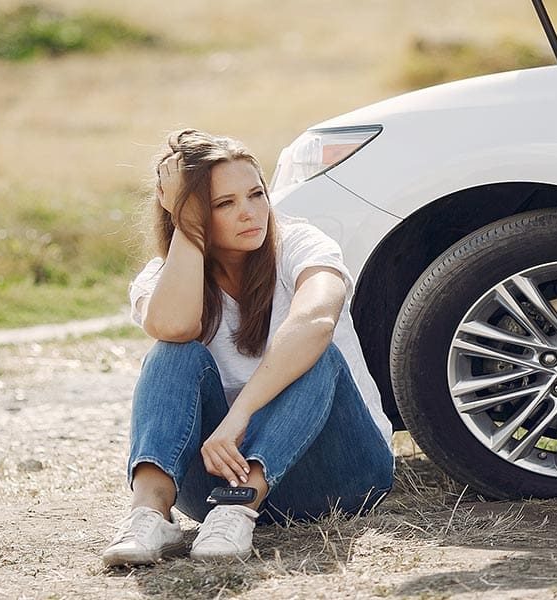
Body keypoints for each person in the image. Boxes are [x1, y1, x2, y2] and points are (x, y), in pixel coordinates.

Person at [101, 129, 394, 567]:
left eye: (256, 194)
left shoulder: (301, 243)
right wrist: (188, 227)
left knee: (319, 354)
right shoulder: (161, 278)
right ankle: (150, 515)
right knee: (172, 351)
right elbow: (176, 326)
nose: (250, 212)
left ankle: (241, 505)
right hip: (212, 495)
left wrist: (240, 416)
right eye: (224, 203)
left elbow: (315, 321)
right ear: (193, 214)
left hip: (341, 471)